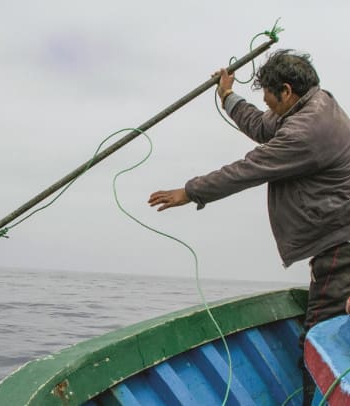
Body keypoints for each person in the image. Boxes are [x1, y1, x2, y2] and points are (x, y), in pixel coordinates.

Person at [148, 49, 350, 405]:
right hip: (336, 245)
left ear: (286, 91)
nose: (267, 106)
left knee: (318, 342)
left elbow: (248, 170)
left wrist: (189, 191)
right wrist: (227, 96)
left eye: (269, 97)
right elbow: (261, 125)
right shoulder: (312, 105)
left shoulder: (306, 131)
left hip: (340, 249)